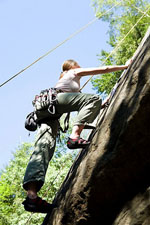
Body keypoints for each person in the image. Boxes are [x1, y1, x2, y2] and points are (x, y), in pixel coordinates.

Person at [22, 59, 131, 213]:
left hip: (47, 111)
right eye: (78, 65)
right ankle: (75, 136)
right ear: (73, 66)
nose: (80, 67)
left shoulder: (65, 84)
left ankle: (32, 197)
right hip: (54, 103)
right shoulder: (72, 72)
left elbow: (82, 105)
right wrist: (126, 65)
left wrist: (101, 105)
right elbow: (104, 68)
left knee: (43, 149)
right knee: (93, 97)